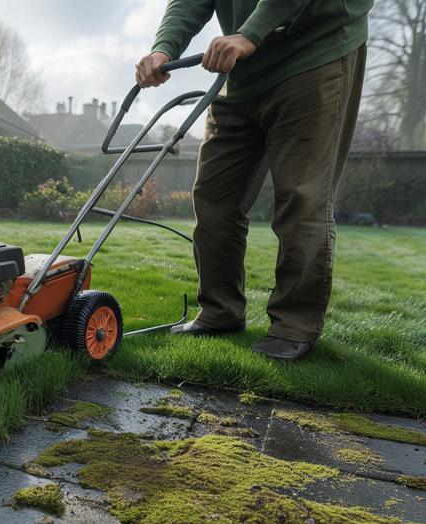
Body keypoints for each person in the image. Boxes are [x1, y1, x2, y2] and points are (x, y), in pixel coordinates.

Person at [137, 0, 372, 360]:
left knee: (301, 196)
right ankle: (220, 311)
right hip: (241, 71)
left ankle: (294, 326)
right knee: (214, 196)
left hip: (312, 53)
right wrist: (163, 47)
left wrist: (251, 32)